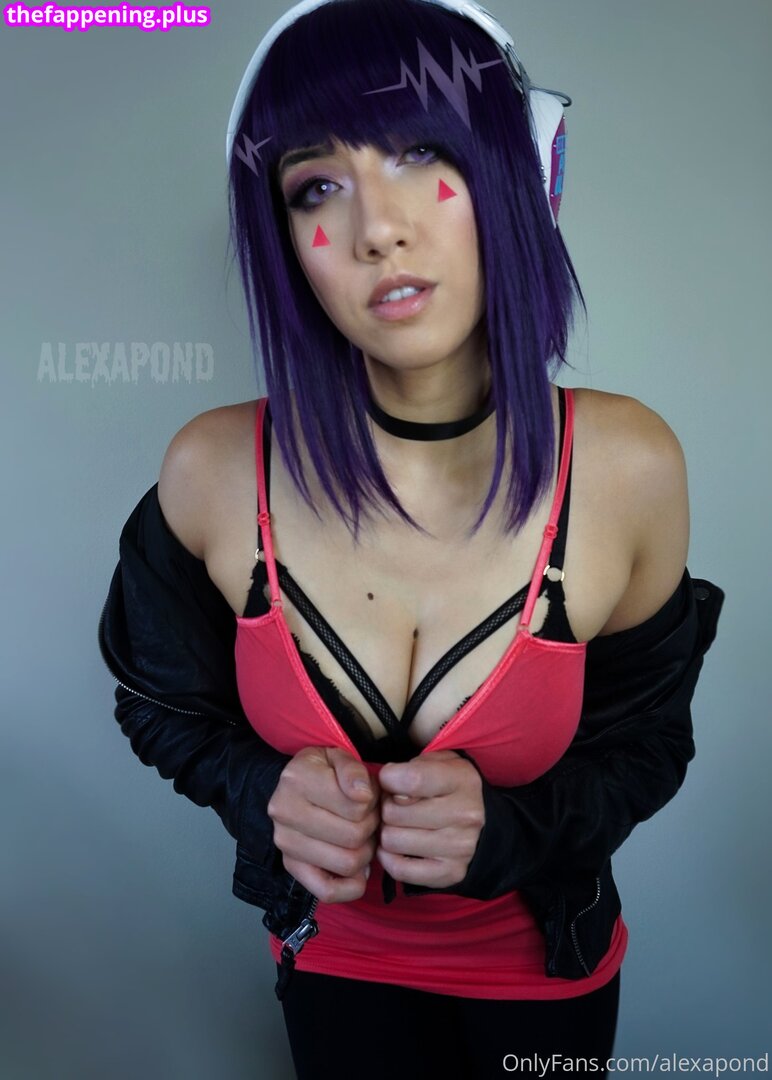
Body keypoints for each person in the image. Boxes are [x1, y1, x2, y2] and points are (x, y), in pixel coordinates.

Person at [98, 1, 724, 1076]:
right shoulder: (211, 471)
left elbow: (646, 746)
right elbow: (160, 704)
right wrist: (262, 791)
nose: (376, 228)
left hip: (545, 983)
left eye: (419, 151)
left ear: (517, 172)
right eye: (316, 187)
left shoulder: (628, 468)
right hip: (331, 971)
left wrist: (512, 833)